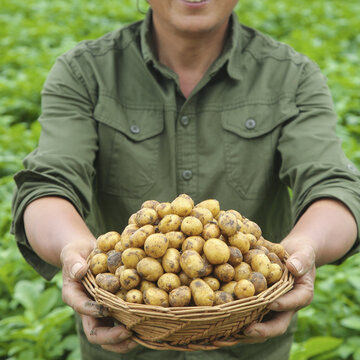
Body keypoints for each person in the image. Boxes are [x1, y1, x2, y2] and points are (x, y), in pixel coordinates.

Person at [11, 1, 360, 359]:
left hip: (248, 343)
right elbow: (47, 186)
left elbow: (334, 186)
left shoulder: (293, 76)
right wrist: (73, 250)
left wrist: (304, 248)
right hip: (122, 341)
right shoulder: (83, 72)